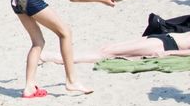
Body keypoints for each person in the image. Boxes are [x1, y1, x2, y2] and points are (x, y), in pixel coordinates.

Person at [45, 31, 190, 64]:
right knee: (107, 48)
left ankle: (58, 58)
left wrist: (169, 53)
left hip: (166, 45)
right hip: (164, 37)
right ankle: (62, 56)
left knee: (108, 53)